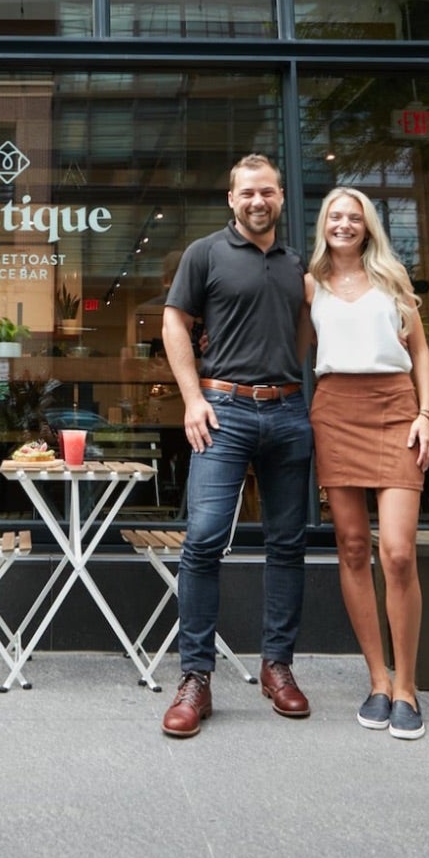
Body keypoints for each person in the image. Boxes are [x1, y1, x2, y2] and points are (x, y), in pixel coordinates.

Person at [158, 153, 314, 739]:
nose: (258, 201)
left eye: (267, 192)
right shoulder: (205, 253)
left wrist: (287, 379)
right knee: (202, 540)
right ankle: (195, 679)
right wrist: (193, 398)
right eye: (247, 192)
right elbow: (175, 322)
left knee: (287, 544)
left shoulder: (297, 261)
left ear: (279, 197)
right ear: (232, 199)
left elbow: (305, 326)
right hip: (222, 412)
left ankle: (278, 668)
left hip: (288, 412)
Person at [304, 185, 429, 740]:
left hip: (394, 406)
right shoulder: (310, 284)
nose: (343, 224)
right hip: (335, 408)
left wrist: (426, 414)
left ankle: (407, 687)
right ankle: (378, 680)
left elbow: (421, 352)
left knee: (398, 552)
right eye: (334, 216)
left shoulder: (393, 279)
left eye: (353, 217)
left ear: (367, 225)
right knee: (354, 547)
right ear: (323, 225)